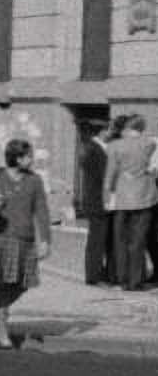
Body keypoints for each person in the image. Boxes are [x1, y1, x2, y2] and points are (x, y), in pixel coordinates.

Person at [0, 139, 51, 350]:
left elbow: (42, 211)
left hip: (26, 239)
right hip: (1, 237)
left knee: (23, 284)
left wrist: (46, 240)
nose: (31, 159)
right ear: (16, 157)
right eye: (27, 156)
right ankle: (1, 324)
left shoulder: (34, 180)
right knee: (5, 284)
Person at [105, 113, 156, 293]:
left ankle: (122, 280)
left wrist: (107, 196)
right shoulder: (150, 144)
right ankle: (136, 281)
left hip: (122, 197)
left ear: (127, 128)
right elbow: (153, 167)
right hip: (144, 197)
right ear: (142, 128)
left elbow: (110, 175)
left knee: (120, 241)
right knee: (138, 242)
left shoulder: (114, 146)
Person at [77, 120, 111, 287]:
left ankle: (98, 272)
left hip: (94, 199)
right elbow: (103, 176)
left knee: (97, 238)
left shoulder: (91, 147)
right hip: (97, 200)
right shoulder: (95, 149)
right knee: (97, 240)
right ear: (102, 131)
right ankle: (93, 276)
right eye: (108, 128)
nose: (110, 132)